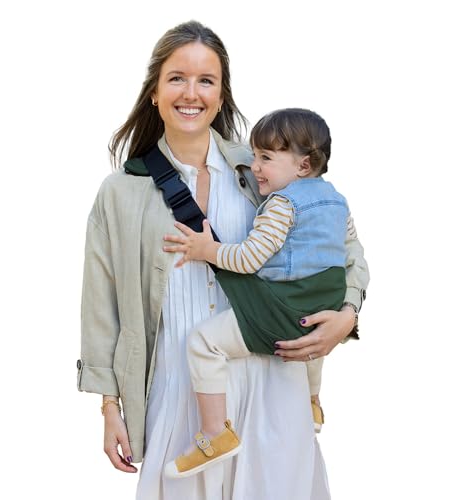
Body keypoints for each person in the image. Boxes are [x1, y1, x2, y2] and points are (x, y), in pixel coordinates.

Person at [77, 20, 369, 500]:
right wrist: (110, 406)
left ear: (221, 94)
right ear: (154, 91)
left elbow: (343, 246)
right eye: (177, 78)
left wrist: (347, 315)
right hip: (179, 389)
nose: (191, 93)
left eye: (206, 80)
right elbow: (100, 304)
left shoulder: (264, 167)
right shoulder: (120, 191)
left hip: (274, 383)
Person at [162, 107, 349, 478]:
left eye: (266, 158)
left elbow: (249, 258)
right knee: (311, 345)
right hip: (324, 302)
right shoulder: (336, 199)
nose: (255, 166)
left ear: (303, 165)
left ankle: (215, 433)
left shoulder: (281, 205)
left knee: (203, 343)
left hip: (282, 308)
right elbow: (348, 244)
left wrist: (207, 250)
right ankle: (312, 402)